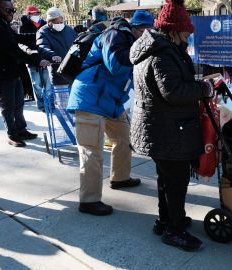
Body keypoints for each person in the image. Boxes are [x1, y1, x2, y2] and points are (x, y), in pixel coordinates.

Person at [129, 0, 214, 252]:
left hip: (162, 127)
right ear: (174, 30)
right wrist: (204, 88)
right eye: (186, 32)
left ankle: (167, 220)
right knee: (175, 181)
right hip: (166, 129)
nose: (188, 36)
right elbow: (173, 92)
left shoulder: (160, 48)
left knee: (167, 179)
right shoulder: (161, 53)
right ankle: (173, 230)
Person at [66, 12, 154, 216]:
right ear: (134, 28)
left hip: (111, 101)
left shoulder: (132, 39)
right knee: (91, 151)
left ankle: (120, 178)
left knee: (124, 139)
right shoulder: (114, 34)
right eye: (144, 31)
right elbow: (115, 65)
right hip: (89, 99)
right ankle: (88, 201)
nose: (147, 36)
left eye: (151, 31)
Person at [0, 0, 50, 147]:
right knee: (8, 105)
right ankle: (12, 134)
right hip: (0, 72)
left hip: (11, 69)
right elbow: (14, 49)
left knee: (18, 102)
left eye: (13, 9)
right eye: (9, 10)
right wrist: (37, 61)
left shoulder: (2, 21)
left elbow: (15, 38)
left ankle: (21, 129)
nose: (12, 13)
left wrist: (36, 35)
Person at [18, 5, 50, 111]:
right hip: (32, 59)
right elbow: (20, 43)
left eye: (37, 13)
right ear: (28, 15)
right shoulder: (23, 26)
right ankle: (41, 105)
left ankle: (50, 104)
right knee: (37, 84)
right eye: (32, 14)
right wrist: (28, 50)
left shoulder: (45, 25)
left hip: (45, 58)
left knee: (48, 84)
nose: (35, 15)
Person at [36, 7, 77, 89]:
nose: (60, 24)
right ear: (49, 22)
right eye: (57, 22)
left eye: (61, 22)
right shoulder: (42, 32)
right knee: (62, 101)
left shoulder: (69, 30)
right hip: (58, 74)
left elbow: (77, 45)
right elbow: (42, 47)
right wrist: (52, 55)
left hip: (74, 73)